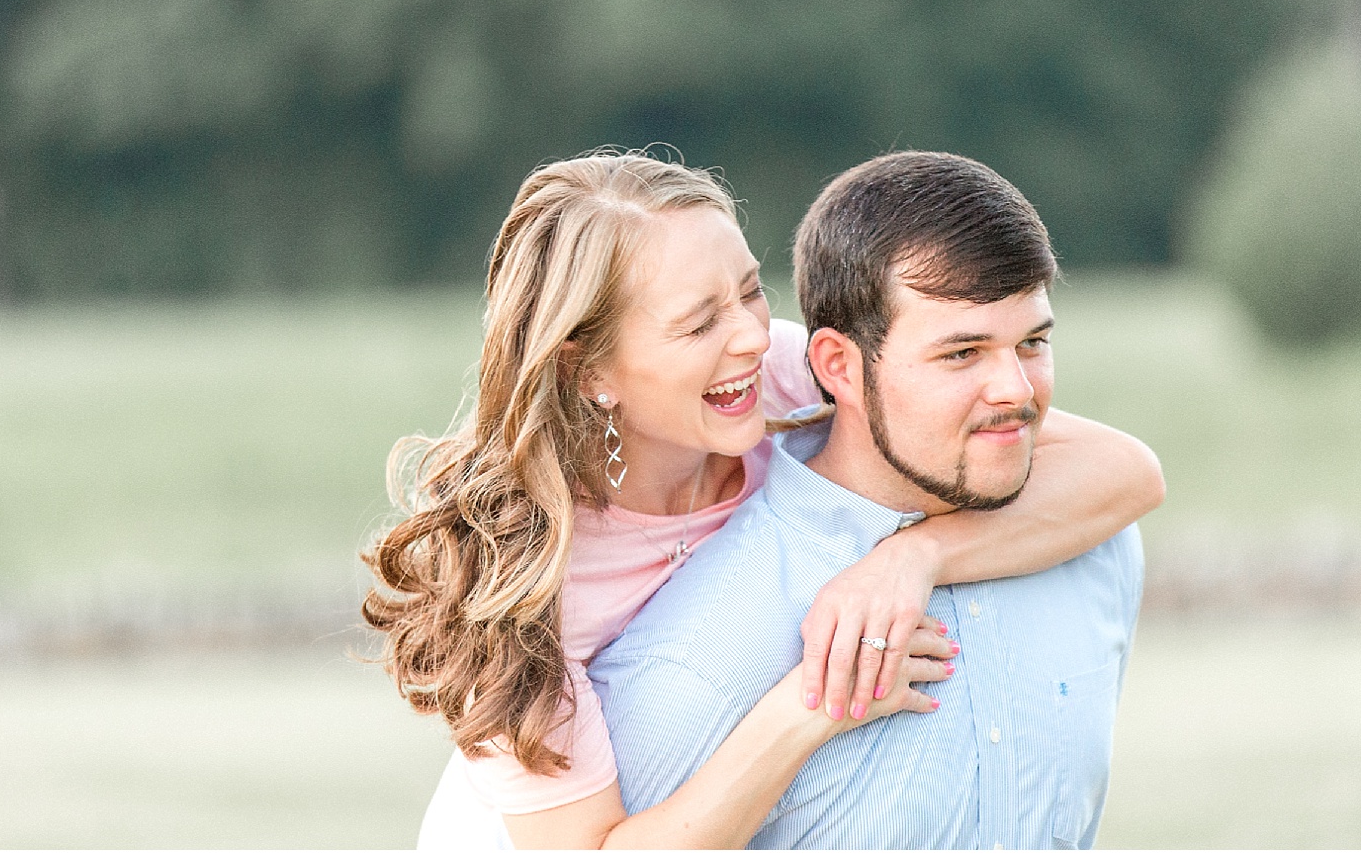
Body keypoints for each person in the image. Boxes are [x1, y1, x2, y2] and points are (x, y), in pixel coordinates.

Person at [362, 149, 1161, 850]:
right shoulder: (525, 596)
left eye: (747, 290)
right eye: (698, 320)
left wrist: (913, 556)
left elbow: (1126, 472)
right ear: (590, 371)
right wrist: (814, 703)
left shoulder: (769, 371)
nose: (749, 332)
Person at [587, 150, 1144, 849]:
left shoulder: (1099, 545)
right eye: (962, 353)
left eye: (1032, 341)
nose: (1017, 391)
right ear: (838, 367)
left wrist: (921, 554)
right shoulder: (688, 661)